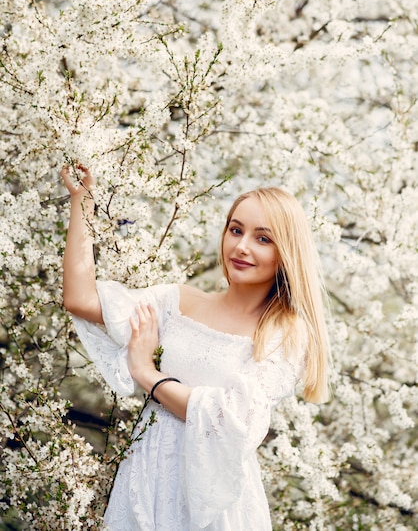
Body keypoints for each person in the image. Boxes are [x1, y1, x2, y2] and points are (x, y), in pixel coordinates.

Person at [61, 164, 331, 531]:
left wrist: (147, 375)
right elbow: (81, 299)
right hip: (146, 477)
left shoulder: (285, 333)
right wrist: (83, 203)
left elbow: (234, 419)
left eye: (263, 238)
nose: (241, 246)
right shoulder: (176, 302)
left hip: (215, 498)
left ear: (286, 252)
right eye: (236, 230)